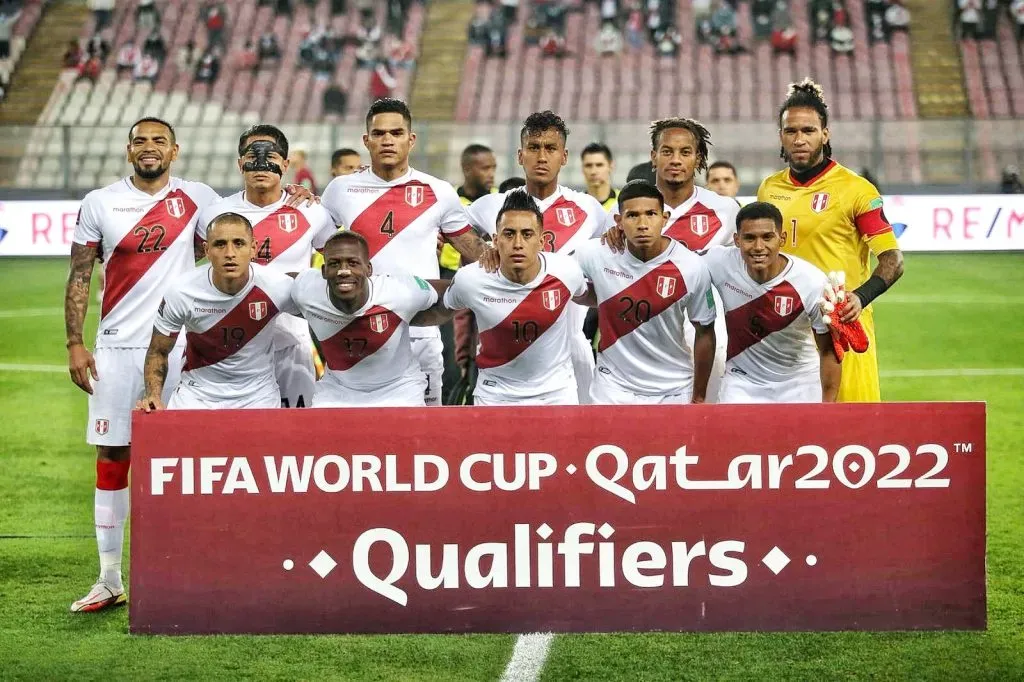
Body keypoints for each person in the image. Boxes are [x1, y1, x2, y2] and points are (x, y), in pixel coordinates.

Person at [64, 118, 220, 613]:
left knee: (189, 460)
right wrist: (75, 342)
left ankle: (192, 572)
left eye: (159, 141)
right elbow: (80, 274)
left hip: (179, 347)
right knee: (113, 456)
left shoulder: (198, 197)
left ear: (175, 150)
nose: (149, 148)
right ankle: (109, 579)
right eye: (140, 141)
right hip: (116, 348)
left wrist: (296, 194)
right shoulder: (100, 202)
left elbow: (239, 232)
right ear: (128, 149)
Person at [321, 98, 487, 406]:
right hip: (359, 329)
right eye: (379, 133)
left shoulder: (437, 191)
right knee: (357, 424)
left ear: (411, 140)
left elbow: (475, 251)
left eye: (396, 133)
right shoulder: (341, 189)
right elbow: (318, 243)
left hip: (420, 329)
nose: (387, 140)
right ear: (366, 140)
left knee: (424, 426)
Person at [757, 78, 904, 402]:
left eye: (808, 130)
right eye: (791, 131)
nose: (799, 139)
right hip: (786, 330)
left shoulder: (856, 190)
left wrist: (860, 298)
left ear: (825, 134)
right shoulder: (769, 189)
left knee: (851, 424)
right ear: (781, 136)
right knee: (790, 427)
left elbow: (892, 260)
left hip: (841, 325)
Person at [465, 111, 615, 404]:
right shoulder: (492, 206)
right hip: (507, 351)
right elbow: (449, 231)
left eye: (551, 148)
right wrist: (483, 253)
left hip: (571, 348)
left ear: (564, 156)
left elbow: (614, 255)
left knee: (579, 432)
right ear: (520, 155)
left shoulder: (590, 209)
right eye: (534, 148)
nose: (542, 157)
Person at [197, 125, 336, 408]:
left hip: (292, 342)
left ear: (285, 164)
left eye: (270, 156)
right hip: (231, 343)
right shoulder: (215, 214)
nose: (261, 164)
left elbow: (338, 260)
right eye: (253, 156)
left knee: (294, 428)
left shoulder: (312, 212)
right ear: (240, 164)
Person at [606, 118, 740, 403]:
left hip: (707, 335)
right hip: (641, 340)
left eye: (685, 152)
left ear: (699, 158)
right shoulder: (624, 214)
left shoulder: (725, 211)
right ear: (653, 156)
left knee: (705, 416)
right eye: (667, 151)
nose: (676, 160)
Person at [428, 191, 588, 406]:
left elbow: (591, 297)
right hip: (494, 395)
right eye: (509, 234)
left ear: (541, 241)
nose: (518, 243)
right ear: (495, 240)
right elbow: (438, 308)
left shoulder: (567, 271)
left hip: (556, 394)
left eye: (527, 234)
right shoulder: (472, 279)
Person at [137, 213, 298, 410]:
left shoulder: (278, 286)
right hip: (196, 396)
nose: (230, 253)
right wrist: (153, 395)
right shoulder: (182, 291)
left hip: (258, 397)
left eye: (239, 243)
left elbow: (324, 313)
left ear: (253, 248)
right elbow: (158, 350)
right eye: (220, 244)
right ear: (206, 250)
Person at [575, 181, 717, 404]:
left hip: (673, 388)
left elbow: (705, 332)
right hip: (612, 388)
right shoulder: (595, 253)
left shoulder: (691, 266)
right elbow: (555, 275)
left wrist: (699, 397)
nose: (642, 224)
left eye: (651, 214)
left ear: (665, 218)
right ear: (618, 221)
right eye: (632, 216)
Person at [703, 202, 841, 403]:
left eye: (767, 237)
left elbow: (828, 350)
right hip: (742, 381)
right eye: (749, 238)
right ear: (736, 240)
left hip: (800, 381)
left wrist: (828, 406)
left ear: (782, 239)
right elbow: (679, 265)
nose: (759, 247)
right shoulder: (719, 261)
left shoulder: (811, 282)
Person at [291, 231, 445, 406]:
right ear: (324, 271)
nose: (344, 271)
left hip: (400, 389)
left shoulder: (401, 291)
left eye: (353, 263)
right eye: (334, 263)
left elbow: (451, 294)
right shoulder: (305, 290)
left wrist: (413, 317)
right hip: (336, 391)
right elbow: (270, 287)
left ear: (369, 269)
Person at [580, 142, 617, 211]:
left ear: (611, 166)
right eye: (588, 165)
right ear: (582, 168)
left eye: (599, 165)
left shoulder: (623, 201)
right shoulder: (575, 204)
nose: (593, 171)